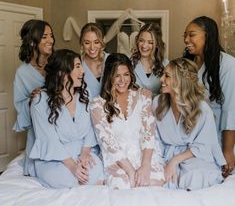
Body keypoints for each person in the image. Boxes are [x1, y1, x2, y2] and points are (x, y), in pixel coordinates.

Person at [29, 49, 104, 188]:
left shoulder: (85, 95)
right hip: (55, 159)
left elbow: (91, 128)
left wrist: (85, 153)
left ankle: (88, 181)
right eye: (77, 66)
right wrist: (73, 167)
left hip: (81, 152)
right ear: (62, 72)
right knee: (68, 179)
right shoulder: (40, 100)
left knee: (95, 171)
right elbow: (48, 139)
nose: (83, 71)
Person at [90, 53, 165, 189]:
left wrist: (145, 166)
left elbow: (149, 133)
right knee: (123, 185)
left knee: (156, 181)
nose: (122, 80)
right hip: (118, 160)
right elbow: (109, 144)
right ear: (109, 77)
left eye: (126, 74)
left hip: (144, 156)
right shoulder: (97, 105)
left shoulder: (143, 96)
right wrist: (131, 172)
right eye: (117, 76)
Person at [153, 58, 226, 190]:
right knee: (157, 180)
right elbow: (155, 139)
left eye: (167, 76)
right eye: (163, 74)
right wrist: (161, 162)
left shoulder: (202, 109)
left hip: (194, 156)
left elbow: (203, 145)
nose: (161, 79)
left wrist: (174, 161)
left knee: (196, 177)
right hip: (165, 155)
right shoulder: (157, 103)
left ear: (180, 81)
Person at [183, 16, 235, 177]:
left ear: (208, 35)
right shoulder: (186, 64)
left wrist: (227, 150)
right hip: (190, 138)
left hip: (217, 140)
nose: (186, 40)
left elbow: (230, 111)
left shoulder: (227, 64)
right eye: (185, 35)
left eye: (192, 35)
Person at [13, 19, 55, 176]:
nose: (50, 40)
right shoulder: (22, 73)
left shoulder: (57, 64)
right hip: (38, 133)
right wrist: (31, 100)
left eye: (51, 35)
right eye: (44, 36)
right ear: (32, 41)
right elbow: (20, 107)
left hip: (62, 127)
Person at [131, 23, 169, 96]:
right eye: (141, 40)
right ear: (137, 41)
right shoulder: (129, 63)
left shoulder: (165, 64)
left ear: (157, 44)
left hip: (159, 106)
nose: (144, 46)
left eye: (150, 42)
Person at [79, 23, 109, 98]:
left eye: (96, 42)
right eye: (87, 43)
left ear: (102, 41)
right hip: (85, 109)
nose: (92, 47)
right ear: (82, 43)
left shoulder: (111, 60)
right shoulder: (77, 64)